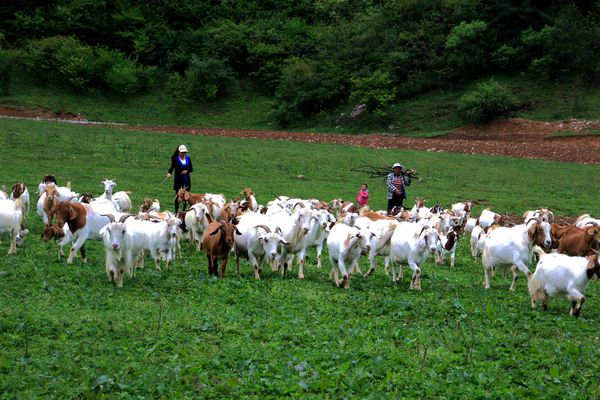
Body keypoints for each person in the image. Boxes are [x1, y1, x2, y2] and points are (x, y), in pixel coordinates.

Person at [166, 144, 193, 213]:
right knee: (178, 197)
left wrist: (186, 171)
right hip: (178, 181)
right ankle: (176, 212)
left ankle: (184, 211)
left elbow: (191, 169)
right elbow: (172, 167)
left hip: (186, 181)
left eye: (184, 152)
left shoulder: (188, 158)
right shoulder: (176, 159)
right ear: (179, 152)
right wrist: (169, 173)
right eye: (182, 152)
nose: (183, 154)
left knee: (186, 197)